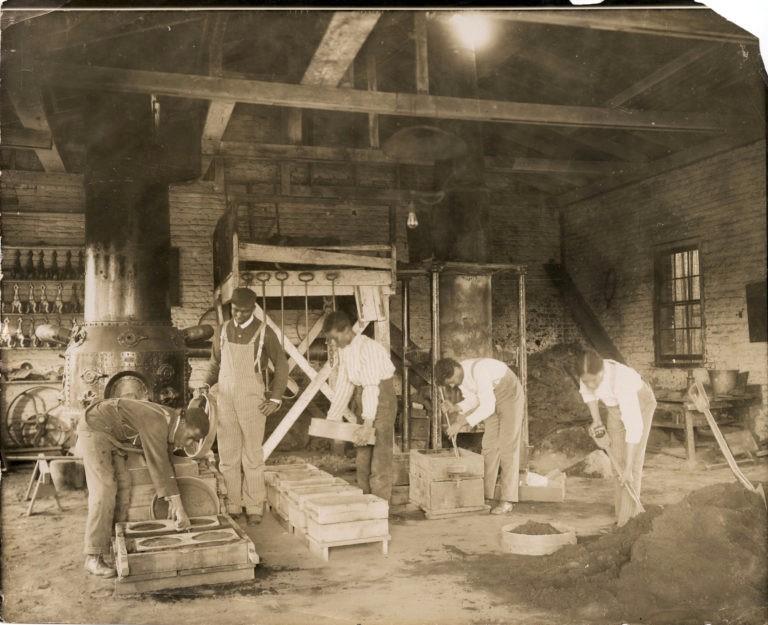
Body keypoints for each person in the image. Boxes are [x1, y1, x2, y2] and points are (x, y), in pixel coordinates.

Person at [75, 397, 210, 578]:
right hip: (95, 428)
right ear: (183, 421)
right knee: (104, 490)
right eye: (190, 437)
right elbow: (159, 465)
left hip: (114, 435)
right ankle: (93, 557)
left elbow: (166, 462)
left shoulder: (171, 418)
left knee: (123, 486)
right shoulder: (157, 422)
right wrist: (179, 508)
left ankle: (116, 542)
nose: (187, 444)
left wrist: (172, 501)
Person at [201, 287, 289, 525]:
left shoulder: (264, 332)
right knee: (228, 455)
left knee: (252, 455)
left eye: (245, 311)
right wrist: (204, 386)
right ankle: (233, 504)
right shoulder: (222, 330)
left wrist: (275, 399)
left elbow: (281, 366)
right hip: (225, 400)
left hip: (252, 400)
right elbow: (215, 364)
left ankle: (254, 506)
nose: (239, 315)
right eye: (235, 310)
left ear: (254, 309)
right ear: (231, 308)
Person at [435, 356, 526, 515]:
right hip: (491, 400)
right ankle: (485, 495)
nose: (452, 385)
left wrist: (461, 423)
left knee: (507, 447)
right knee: (489, 447)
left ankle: (507, 499)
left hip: (509, 395)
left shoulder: (479, 371)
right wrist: (455, 407)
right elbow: (473, 399)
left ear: (456, 370)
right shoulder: (461, 376)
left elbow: (487, 407)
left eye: (451, 380)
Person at [576, 348, 656, 526]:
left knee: (631, 466)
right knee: (616, 463)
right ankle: (622, 514)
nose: (590, 385)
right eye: (585, 381)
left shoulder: (622, 380)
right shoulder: (588, 375)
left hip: (640, 403)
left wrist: (627, 468)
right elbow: (588, 394)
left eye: (594, 381)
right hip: (614, 408)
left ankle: (628, 522)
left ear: (602, 372)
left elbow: (634, 428)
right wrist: (597, 421)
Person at [324, 310, 397, 501]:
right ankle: (365, 501)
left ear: (347, 331)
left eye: (334, 338)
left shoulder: (369, 348)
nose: (332, 343)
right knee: (363, 454)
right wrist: (332, 418)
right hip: (363, 399)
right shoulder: (345, 349)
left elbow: (372, 388)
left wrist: (367, 424)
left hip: (381, 399)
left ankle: (381, 506)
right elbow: (344, 384)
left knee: (380, 457)